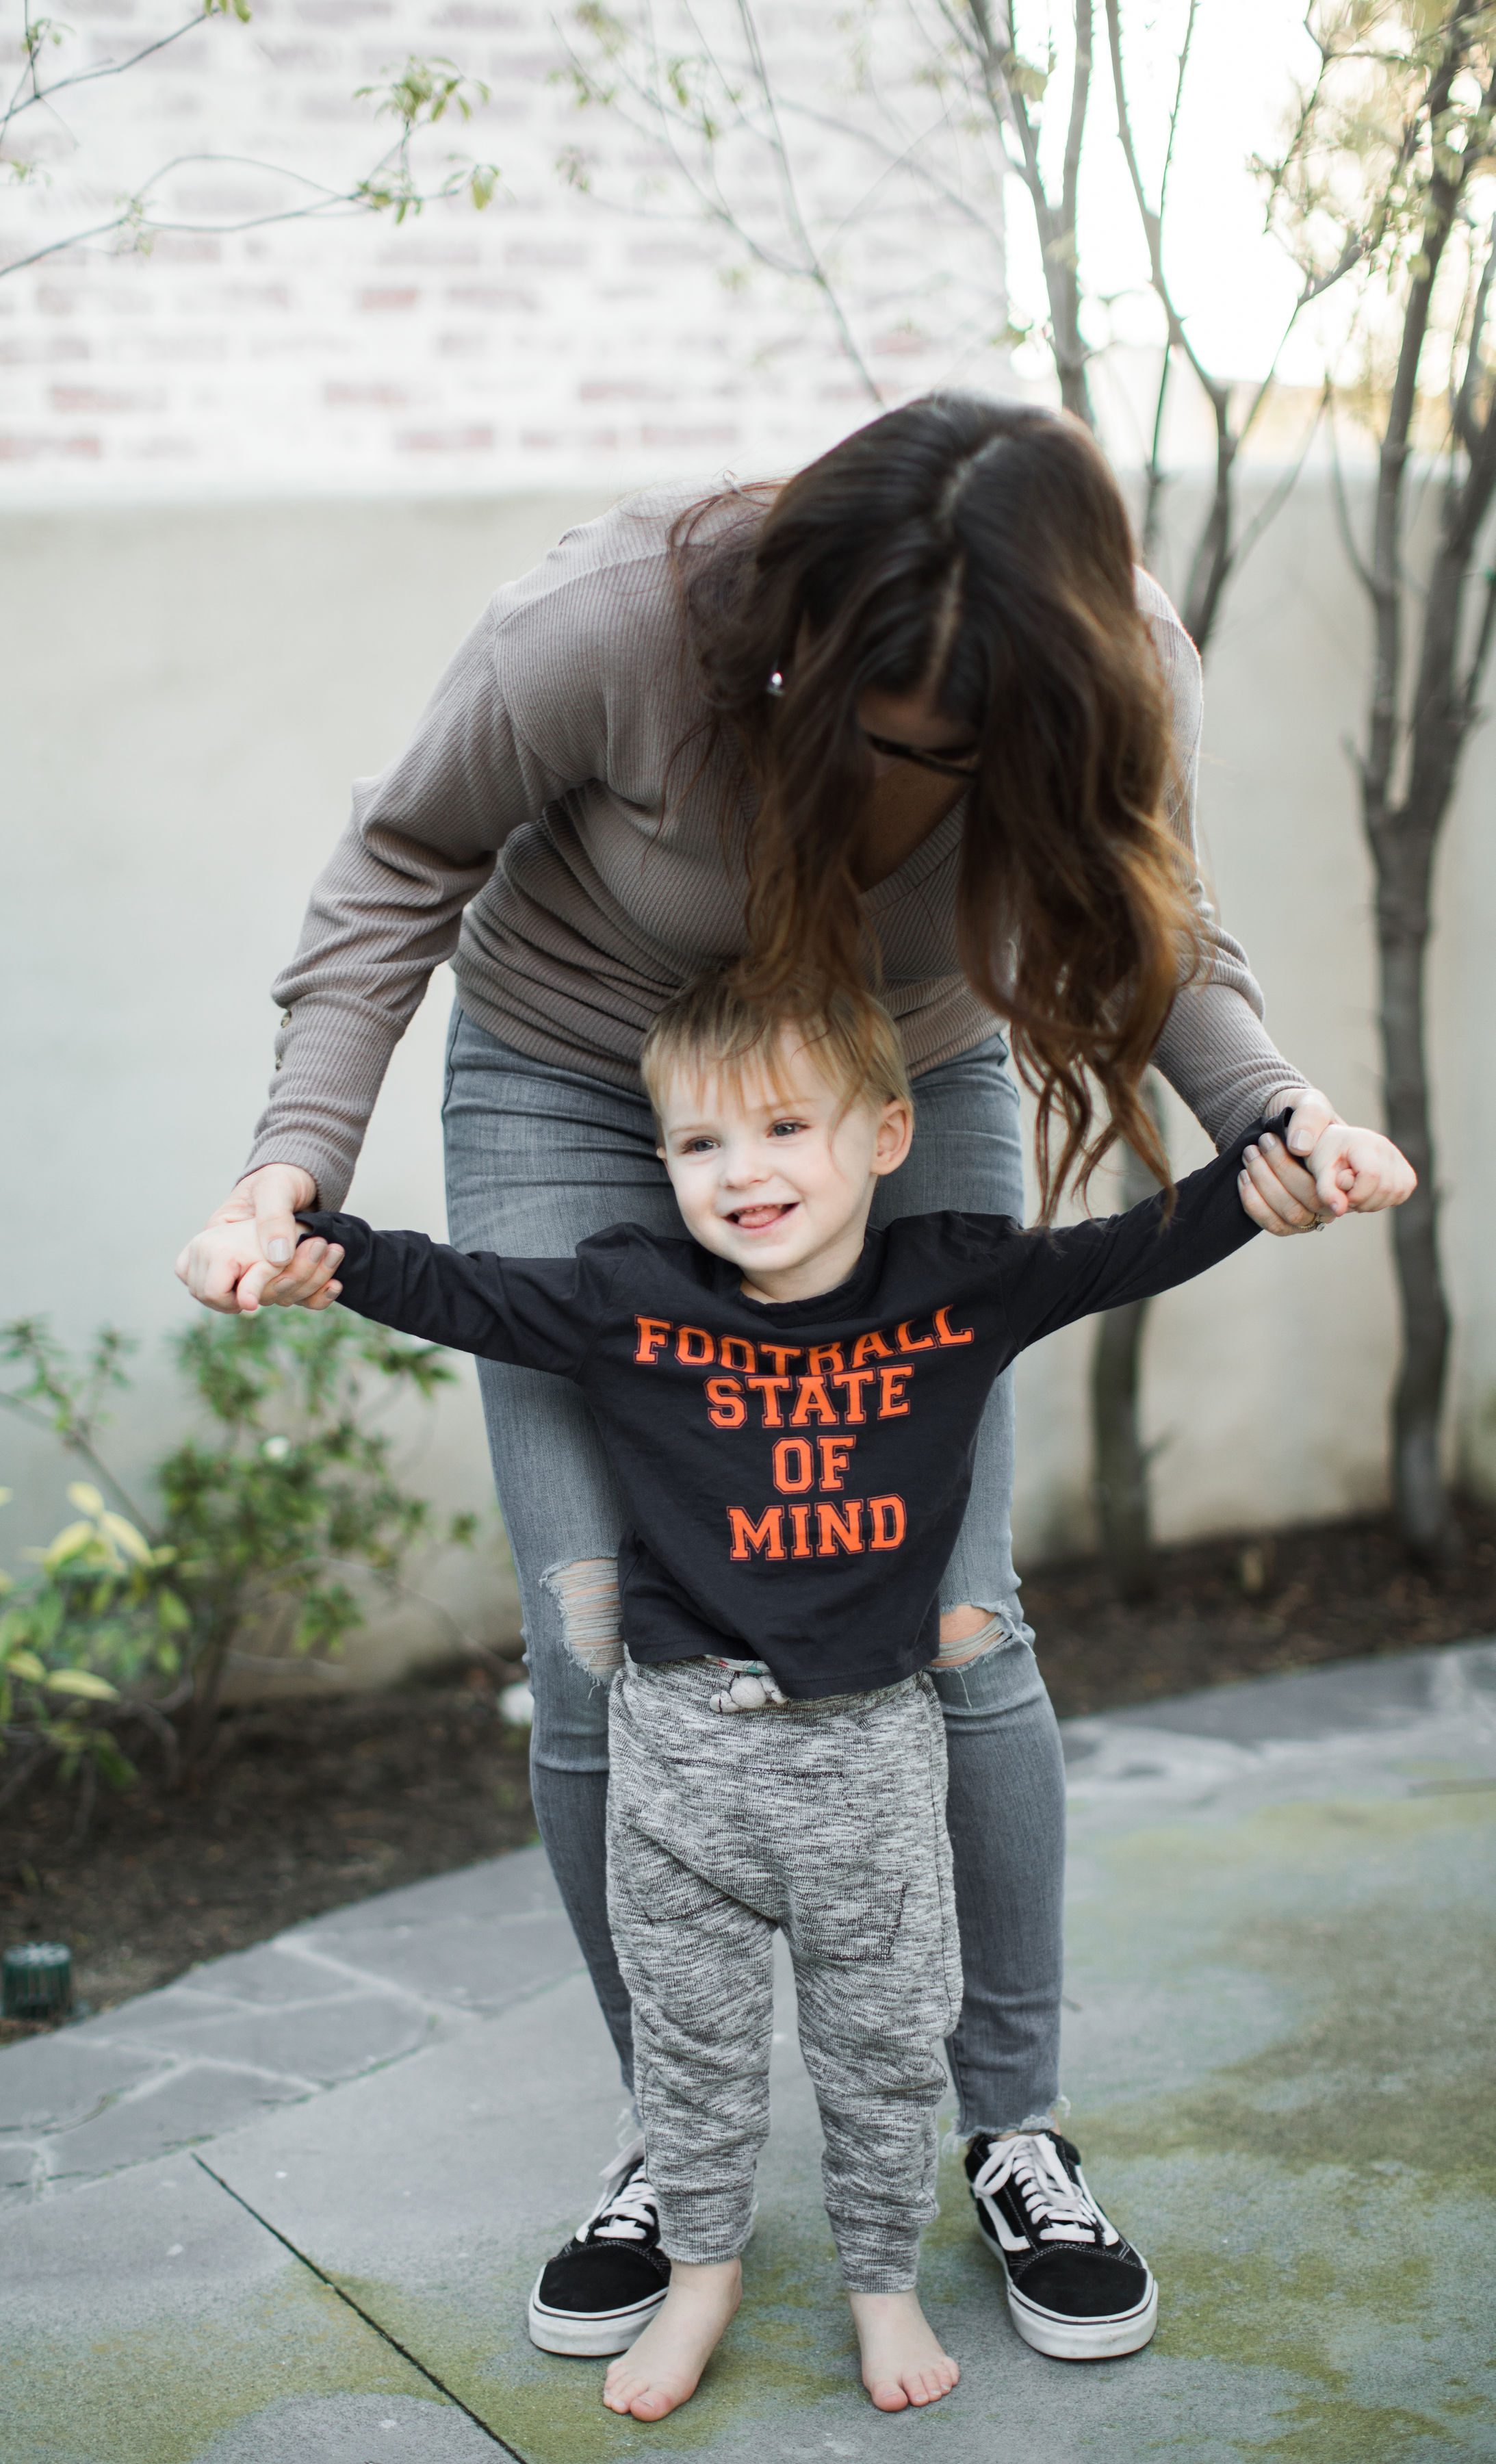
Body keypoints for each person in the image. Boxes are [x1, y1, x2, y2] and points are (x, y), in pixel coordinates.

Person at [175, 394, 1417, 2365]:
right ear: (794, 645)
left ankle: (1012, 2127)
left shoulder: (1118, 664)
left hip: (895, 1081)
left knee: (964, 1624)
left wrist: (1279, 1118)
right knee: (596, 1634)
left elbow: (1151, 916)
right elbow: (404, 851)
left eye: (962, 763)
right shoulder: (606, 624)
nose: (904, 805)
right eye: (874, 738)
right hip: (589, 1079)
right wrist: (291, 1164)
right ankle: (671, 2154)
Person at [276, 970, 1401, 2420]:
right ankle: (700, 2279)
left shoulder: (959, 1283)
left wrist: (1292, 1166)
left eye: (783, 1130)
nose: (741, 1173)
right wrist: (305, 1242)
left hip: (868, 1768)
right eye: (701, 1144)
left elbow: (1137, 1244)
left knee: (881, 2056)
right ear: (660, 1159)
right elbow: (455, 1287)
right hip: (680, 1766)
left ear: (883, 1137)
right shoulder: (630, 1299)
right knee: (692, 2056)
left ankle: (884, 2285)